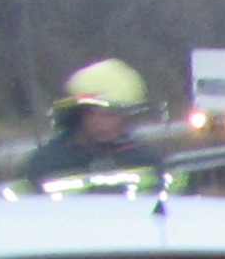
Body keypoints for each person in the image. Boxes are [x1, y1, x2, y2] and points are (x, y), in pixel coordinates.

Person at [20, 58, 179, 197]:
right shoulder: (46, 164)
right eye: (103, 113)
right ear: (79, 114)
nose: (113, 123)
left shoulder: (145, 160)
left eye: (120, 114)